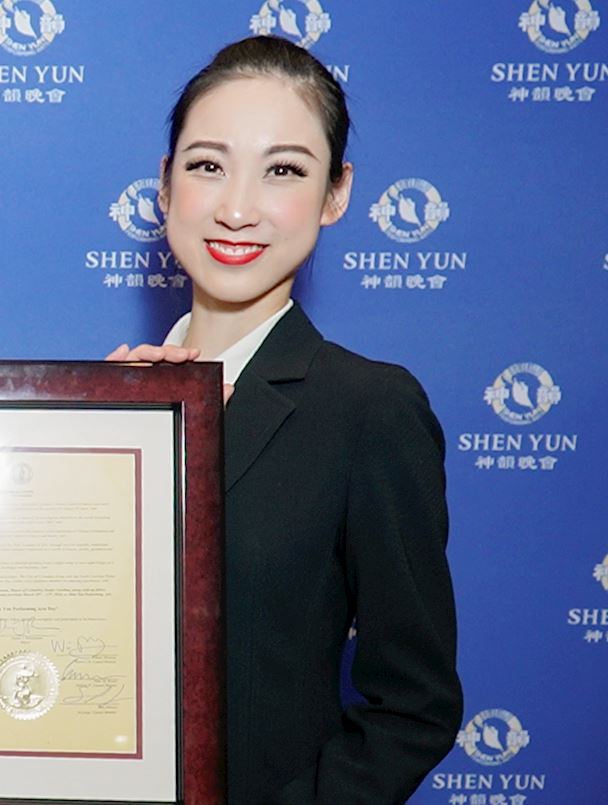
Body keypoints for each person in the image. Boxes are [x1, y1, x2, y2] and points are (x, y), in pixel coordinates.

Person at [109, 36, 462, 803]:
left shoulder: (369, 410)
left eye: (284, 171)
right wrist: (83, 440)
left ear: (337, 193)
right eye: (208, 165)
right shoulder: (98, 408)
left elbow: (414, 708)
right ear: (164, 186)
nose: (237, 208)